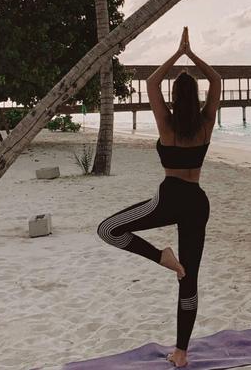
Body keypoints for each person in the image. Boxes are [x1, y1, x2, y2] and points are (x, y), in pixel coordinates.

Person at [97, 27, 221, 367]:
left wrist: (176, 54)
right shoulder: (206, 124)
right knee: (190, 279)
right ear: (194, 96)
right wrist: (192, 56)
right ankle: (181, 351)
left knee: (108, 230)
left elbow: (151, 83)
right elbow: (218, 81)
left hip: (169, 198)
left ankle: (161, 257)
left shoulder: (167, 124)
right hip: (196, 201)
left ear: (173, 97)